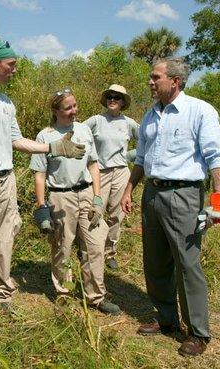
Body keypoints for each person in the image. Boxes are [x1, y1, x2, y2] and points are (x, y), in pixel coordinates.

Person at [0, 40, 86, 312]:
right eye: (11, 65)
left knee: (4, 239)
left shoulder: (5, 102)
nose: (14, 70)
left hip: (5, 179)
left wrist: (53, 147)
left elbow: (17, 140)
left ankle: (1, 295)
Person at [120, 57, 220, 357]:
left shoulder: (199, 111)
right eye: (151, 77)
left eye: (156, 77)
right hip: (153, 193)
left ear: (175, 81)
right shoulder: (150, 116)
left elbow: (217, 155)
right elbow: (141, 158)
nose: (150, 82)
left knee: (187, 264)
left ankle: (197, 332)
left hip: (184, 195)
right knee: (155, 261)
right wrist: (130, 188)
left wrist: (219, 201)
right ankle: (166, 318)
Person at [30, 88, 121, 314]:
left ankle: (95, 297)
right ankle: (65, 292)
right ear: (55, 111)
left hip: (87, 193)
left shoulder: (83, 130)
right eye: (68, 108)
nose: (74, 111)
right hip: (61, 197)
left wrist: (98, 198)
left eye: (75, 106)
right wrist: (42, 206)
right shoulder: (45, 136)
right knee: (63, 246)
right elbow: (39, 174)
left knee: (95, 245)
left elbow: (93, 164)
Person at [83, 84, 139, 269]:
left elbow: (148, 141)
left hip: (122, 172)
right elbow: (78, 135)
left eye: (116, 97)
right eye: (110, 97)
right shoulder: (96, 120)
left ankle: (109, 253)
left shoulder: (129, 123)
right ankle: (91, 249)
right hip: (100, 171)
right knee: (95, 211)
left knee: (117, 214)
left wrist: (131, 155)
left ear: (123, 102)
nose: (112, 100)